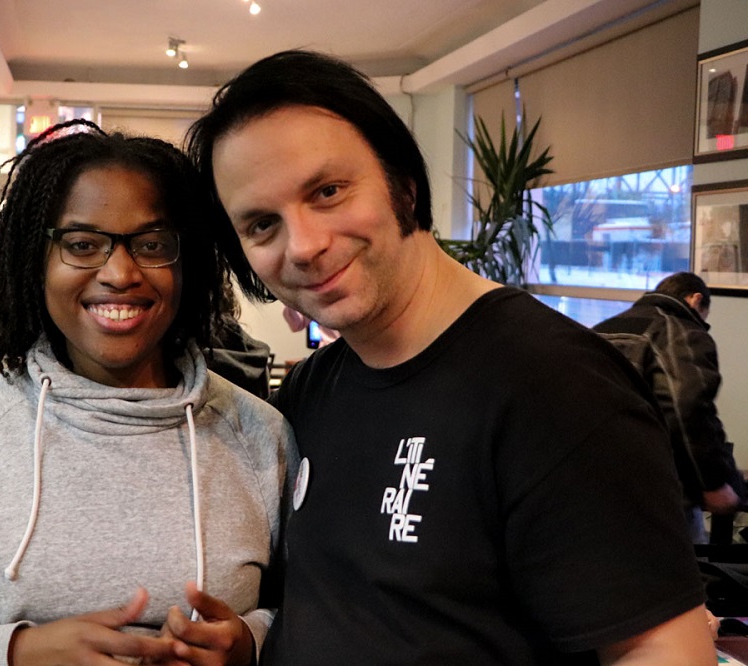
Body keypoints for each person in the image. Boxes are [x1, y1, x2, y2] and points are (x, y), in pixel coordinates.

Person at [186, 49, 716, 664]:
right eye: (261, 225)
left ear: (403, 185)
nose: (303, 246)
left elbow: (659, 650)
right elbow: (355, 606)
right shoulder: (313, 389)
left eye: (328, 191)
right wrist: (254, 640)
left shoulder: (554, 382)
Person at [0, 119, 294, 666]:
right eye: (82, 244)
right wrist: (15, 651)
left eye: (151, 244)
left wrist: (249, 643)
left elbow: (320, 617)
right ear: (38, 259)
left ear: (186, 262)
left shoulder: (260, 436)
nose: (120, 272)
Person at [594, 271, 744, 543]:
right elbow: (688, 410)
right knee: (686, 577)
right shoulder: (682, 332)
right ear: (695, 299)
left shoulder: (601, 330)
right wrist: (712, 482)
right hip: (659, 494)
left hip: (595, 489)